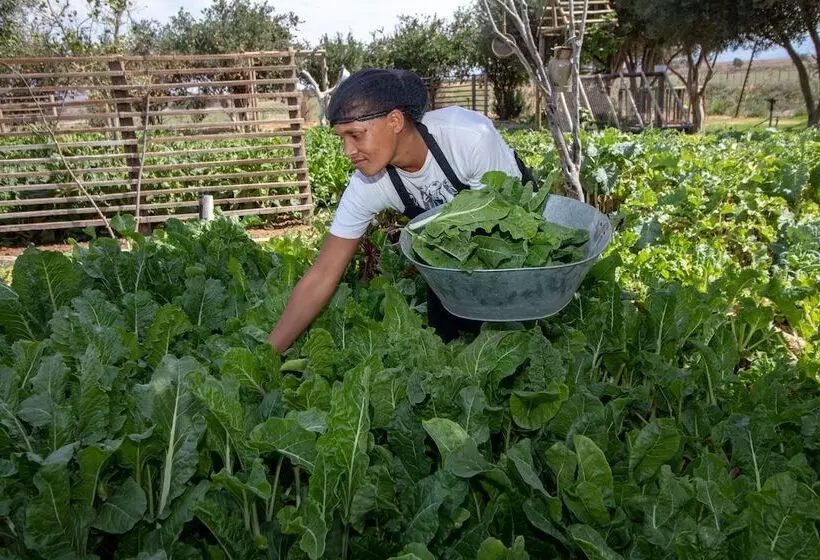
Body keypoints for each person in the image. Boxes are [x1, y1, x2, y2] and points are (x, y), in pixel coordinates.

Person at [267, 68, 535, 353]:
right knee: (445, 347)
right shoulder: (368, 184)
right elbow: (323, 274)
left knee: (519, 337)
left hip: (515, 249)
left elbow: (511, 226)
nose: (347, 151)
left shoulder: (469, 137)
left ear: (395, 120)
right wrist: (269, 353)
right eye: (341, 138)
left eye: (356, 135)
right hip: (450, 261)